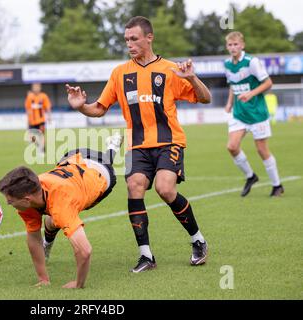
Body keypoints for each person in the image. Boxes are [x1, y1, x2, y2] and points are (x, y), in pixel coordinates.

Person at [65, 16, 212, 273]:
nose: (129, 44)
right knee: (134, 187)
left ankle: (198, 240)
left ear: (149, 37)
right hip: (137, 145)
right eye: (126, 40)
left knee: (165, 189)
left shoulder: (169, 70)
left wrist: (192, 78)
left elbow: (205, 98)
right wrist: (81, 108)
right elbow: (99, 109)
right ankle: (146, 256)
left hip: (169, 141)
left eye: (134, 39)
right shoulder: (120, 73)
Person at [0, 134, 122, 288]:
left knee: (58, 217)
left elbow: (85, 251)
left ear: (26, 199)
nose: (8, 203)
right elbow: (34, 238)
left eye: (11, 200)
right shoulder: (32, 191)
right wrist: (43, 279)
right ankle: (48, 244)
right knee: (53, 219)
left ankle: (112, 147)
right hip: (72, 158)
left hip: (100, 172)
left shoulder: (61, 205)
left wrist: (79, 284)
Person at [224, 31, 284, 197]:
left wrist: (250, 94)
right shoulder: (227, 64)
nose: (233, 47)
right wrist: (229, 103)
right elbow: (232, 84)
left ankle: (277, 185)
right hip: (239, 113)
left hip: (257, 113)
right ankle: (251, 176)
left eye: (236, 44)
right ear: (227, 47)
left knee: (262, 150)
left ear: (242, 45)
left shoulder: (252, 62)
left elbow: (268, 83)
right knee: (232, 146)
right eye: (230, 45)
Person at [24, 83, 52, 156]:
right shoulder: (29, 97)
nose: (36, 89)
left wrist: (49, 116)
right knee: (31, 138)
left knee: (41, 136)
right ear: (32, 88)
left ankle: (42, 150)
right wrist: (28, 121)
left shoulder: (43, 96)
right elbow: (27, 109)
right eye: (34, 87)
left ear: (40, 88)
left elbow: (48, 107)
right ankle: (38, 146)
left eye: (37, 87)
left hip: (41, 120)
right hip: (32, 121)